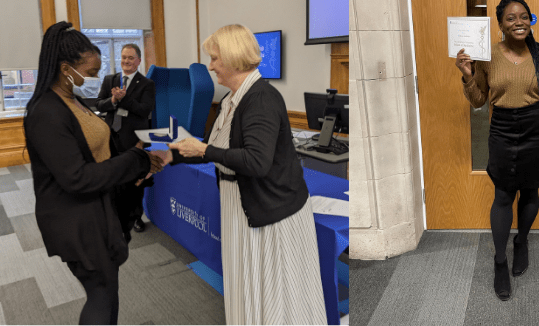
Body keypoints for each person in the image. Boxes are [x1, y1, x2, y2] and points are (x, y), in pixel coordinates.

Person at [153, 24, 326, 325]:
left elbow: (256, 162)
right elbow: (213, 148)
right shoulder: (231, 100)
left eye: (215, 58)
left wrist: (204, 150)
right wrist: (172, 155)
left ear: (233, 58)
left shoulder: (261, 98)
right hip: (242, 206)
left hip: (270, 213)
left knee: (274, 294)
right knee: (248, 286)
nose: (211, 66)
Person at [24, 21, 163, 324]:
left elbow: (101, 150)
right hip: (74, 217)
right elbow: (78, 177)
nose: (96, 77)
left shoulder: (70, 99)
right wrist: (135, 160)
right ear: (65, 68)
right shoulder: (45, 111)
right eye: (89, 72)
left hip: (97, 209)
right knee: (101, 290)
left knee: (107, 287)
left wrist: (136, 164)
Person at [455, 0, 539, 301]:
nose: (518, 22)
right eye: (510, 18)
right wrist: (467, 75)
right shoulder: (486, 55)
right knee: (503, 194)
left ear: (531, 20)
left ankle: (522, 242)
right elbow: (479, 100)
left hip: (537, 129)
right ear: (501, 24)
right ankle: (500, 262)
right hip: (502, 129)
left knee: (530, 191)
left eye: (523, 17)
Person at [96, 43, 156, 239]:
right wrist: (113, 101)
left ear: (138, 61)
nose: (126, 61)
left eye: (130, 58)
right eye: (123, 57)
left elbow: (144, 110)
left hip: (134, 141)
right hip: (111, 139)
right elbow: (99, 104)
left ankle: (136, 217)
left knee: (133, 182)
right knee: (113, 179)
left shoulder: (147, 84)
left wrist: (124, 99)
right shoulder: (109, 79)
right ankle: (113, 215)